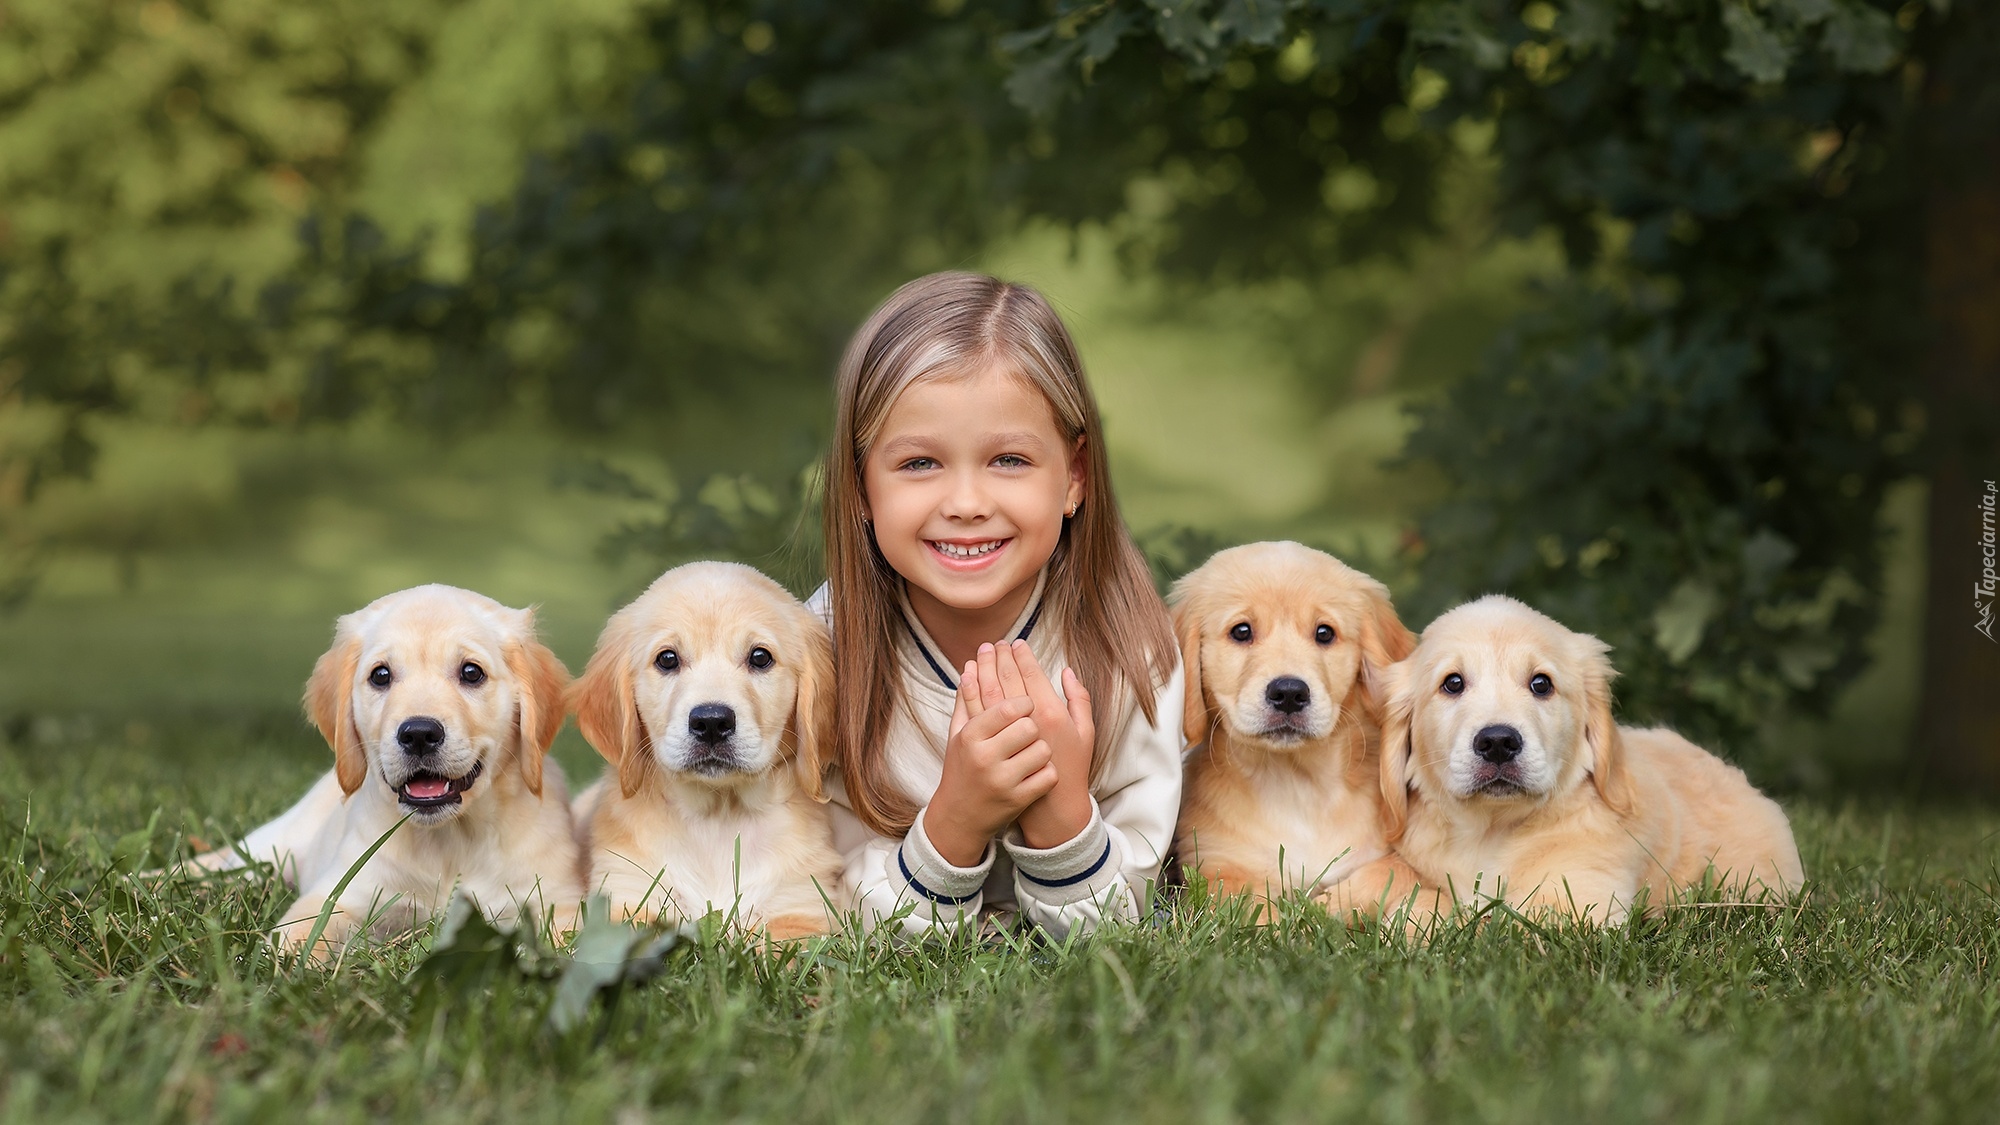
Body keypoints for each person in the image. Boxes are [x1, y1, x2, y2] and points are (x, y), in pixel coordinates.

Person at [808, 271, 1183, 939]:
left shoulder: (1132, 648)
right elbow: (838, 919)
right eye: (919, 463)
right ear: (860, 485)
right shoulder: (820, 647)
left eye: (1008, 459)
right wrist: (957, 817)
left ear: (1074, 475)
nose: (967, 502)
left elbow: (1118, 930)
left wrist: (1060, 811)